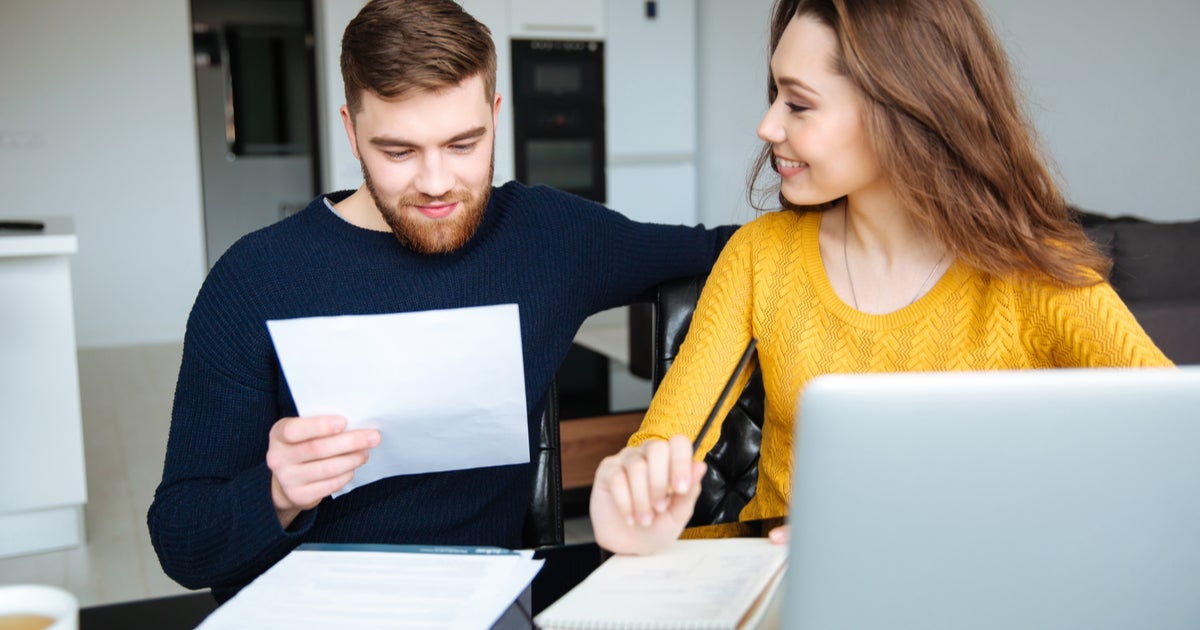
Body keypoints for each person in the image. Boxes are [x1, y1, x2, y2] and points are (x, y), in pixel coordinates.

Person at [147, 0, 735, 600]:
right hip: (307, 604)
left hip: (481, 597)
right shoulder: (253, 277)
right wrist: (275, 494)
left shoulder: (549, 236)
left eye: (462, 145)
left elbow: (727, 251)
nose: (434, 183)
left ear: (495, 117)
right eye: (398, 152)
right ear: (350, 130)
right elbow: (181, 541)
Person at [589, 0, 1174, 556]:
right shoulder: (759, 256)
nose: (767, 126)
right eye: (775, 95)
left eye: (798, 104)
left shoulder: (1032, 273)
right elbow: (661, 447)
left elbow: (1175, 447)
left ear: (902, 110)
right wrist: (629, 495)